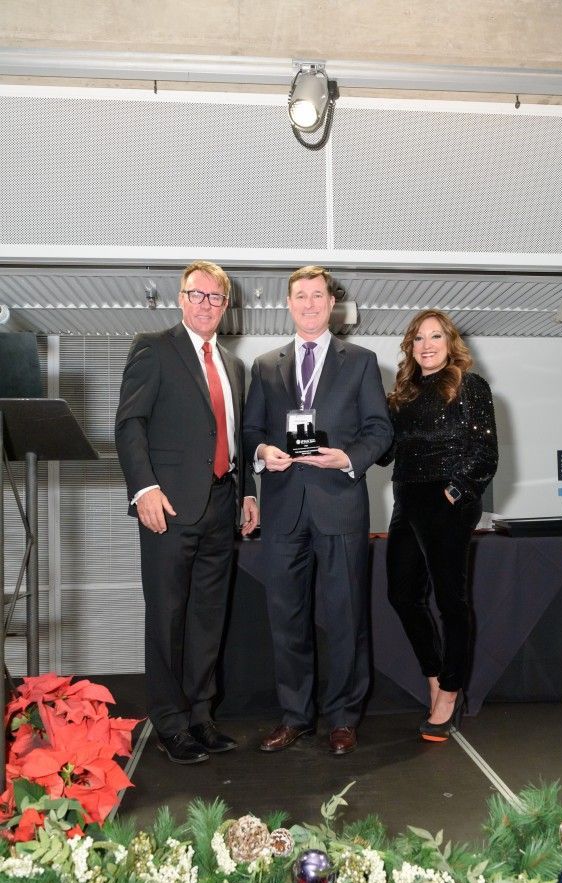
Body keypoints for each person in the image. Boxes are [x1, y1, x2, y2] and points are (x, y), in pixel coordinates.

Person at [243, 265, 393, 756]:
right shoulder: (265, 366)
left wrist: (348, 458)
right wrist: (264, 453)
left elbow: (380, 431)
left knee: (346, 617)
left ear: (333, 305)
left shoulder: (363, 361)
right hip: (285, 509)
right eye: (300, 296)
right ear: (288, 305)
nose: (309, 303)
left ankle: (344, 717)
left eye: (317, 295)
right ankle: (295, 716)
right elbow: (250, 433)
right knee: (286, 617)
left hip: (340, 506)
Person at [115, 260, 258, 764]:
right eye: (197, 295)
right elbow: (130, 424)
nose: (206, 305)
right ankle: (169, 722)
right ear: (181, 298)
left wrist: (247, 492)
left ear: (225, 306)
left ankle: (200, 716)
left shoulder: (234, 366)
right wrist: (144, 489)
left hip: (222, 503)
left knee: (206, 618)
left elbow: (236, 439)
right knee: (167, 616)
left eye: (216, 298)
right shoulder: (153, 348)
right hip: (169, 508)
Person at [382, 309, 498, 742]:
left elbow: (485, 453)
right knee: (401, 594)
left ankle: (450, 693)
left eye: (435, 336)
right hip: (406, 500)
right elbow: (383, 452)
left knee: (451, 601)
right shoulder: (401, 396)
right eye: (418, 338)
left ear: (450, 343)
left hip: (447, 500)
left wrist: (453, 493)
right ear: (409, 347)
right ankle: (435, 676)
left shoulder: (469, 386)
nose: (426, 345)